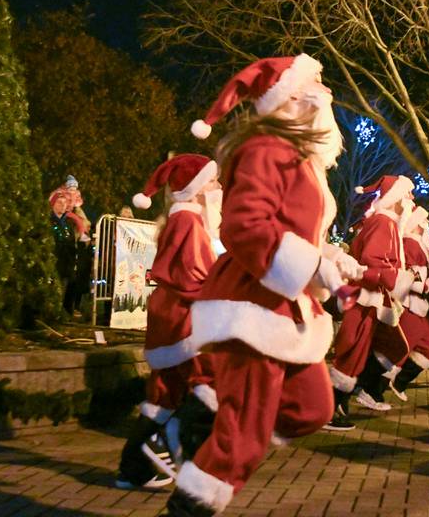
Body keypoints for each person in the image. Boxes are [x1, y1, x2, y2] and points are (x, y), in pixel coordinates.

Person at [165, 55, 358, 516]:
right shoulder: (266, 148)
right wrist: (309, 266)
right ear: (293, 97)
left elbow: (294, 229)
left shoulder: (299, 156)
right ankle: (192, 497)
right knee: (241, 444)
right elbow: (246, 226)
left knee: (311, 407)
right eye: (318, 83)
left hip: (285, 309)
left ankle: (205, 419)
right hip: (250, 306)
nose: (326, 93)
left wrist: (328, 258)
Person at [115, 154, 222, 490]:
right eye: (212, 181)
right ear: (195, 189)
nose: (218, 187)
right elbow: (195, 275)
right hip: (185, 318)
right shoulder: (189, 222)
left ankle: (134, 469)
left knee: (164, 393)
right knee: (211, 381)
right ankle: (173, 446)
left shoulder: (184, 221)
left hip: (171, 315)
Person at [339, 176, 416, 417]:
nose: (411, 200)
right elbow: (373, 259)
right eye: (408, 194)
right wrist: (397, 278)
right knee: (354, 347)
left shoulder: (386, 222)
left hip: (374, 294)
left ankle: (355, 392)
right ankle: (336, 403)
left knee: (379, 346)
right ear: (396, 198)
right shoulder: (384, 223)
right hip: (368, 293)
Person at [386, 206, 429, 401]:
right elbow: (410, 272)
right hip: (410, 304)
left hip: (417, 305)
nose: (427, 224)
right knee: (398, 349)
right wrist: (425, 278)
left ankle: (397, 381)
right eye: (424, 221)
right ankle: (371, 387)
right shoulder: (410, 243)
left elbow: (422, 271)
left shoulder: (417, 243)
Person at [49, 190, 82, 315]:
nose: (62, 205)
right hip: (54, 260)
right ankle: (53, 311)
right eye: (59, 202)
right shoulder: (49, 221)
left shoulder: (68, 224)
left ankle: (67, 311)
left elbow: (72, 242)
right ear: (53, 204)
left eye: (64, 203)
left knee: (71, 284)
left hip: (66, 261)